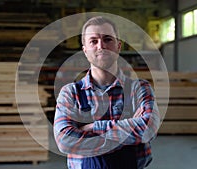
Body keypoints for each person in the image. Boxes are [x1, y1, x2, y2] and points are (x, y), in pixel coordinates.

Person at [54, 16, 160, 169]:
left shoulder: (139, 88)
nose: (101, 46)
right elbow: (65, 141)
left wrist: (92, 128)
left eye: (108, 39)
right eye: (93, 41)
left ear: (118, 46)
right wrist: (128, 131)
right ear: (85, 50)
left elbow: (149, 129)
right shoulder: (71, 93)